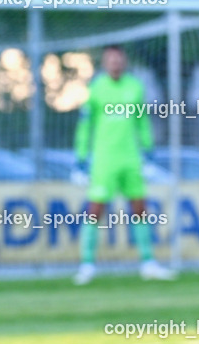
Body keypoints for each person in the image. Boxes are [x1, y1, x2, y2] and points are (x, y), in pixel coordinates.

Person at [72, 45, 176, 285]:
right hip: (104, 159)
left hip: (131, 159)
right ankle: (87, 264)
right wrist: (80, 158)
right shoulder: (96, 89)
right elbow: (85, 126)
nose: (115, 64)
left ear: (124, 62)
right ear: (104, 64)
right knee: (95, 210)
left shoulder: (135, 87)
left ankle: (148, 263)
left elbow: (142, 122)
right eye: (111, 60)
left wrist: (149, 152)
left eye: (119, 60)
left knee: (140, 209)